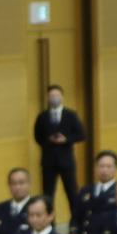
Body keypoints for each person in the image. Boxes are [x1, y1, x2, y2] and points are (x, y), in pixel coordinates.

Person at [33, 84, 86, 212]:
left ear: (62, 97)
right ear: (47, 98)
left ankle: (76, 223)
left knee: (72, 193)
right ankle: (49, 224)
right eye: (51, 96)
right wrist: (49, 141)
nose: (54, 98)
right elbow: (37, 136)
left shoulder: (70, 115)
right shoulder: (42, 116)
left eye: (56, 95)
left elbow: (81, 134)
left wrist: (66, 139)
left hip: (66, 161)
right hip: (48, 161)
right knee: (48, 194)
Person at [69, 150, 117, 234]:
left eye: (108, 167)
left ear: (115, 169)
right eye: (101, 166)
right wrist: (73, 233)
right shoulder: (85, 191)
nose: (104, 170)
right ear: (95, 168)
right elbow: (76, 217)